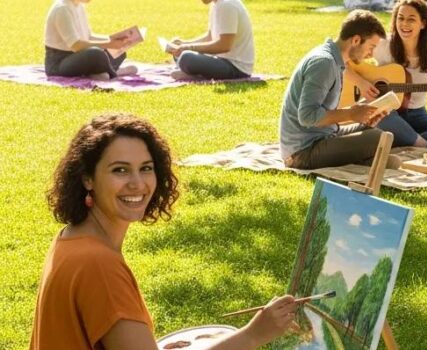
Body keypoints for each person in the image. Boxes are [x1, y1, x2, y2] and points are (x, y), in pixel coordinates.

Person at [31, 114, 303, 349]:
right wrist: (254, 335)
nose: (137, 184)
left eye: (146, 169)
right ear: (87, 178)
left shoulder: (71, 238)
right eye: (120, 170)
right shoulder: (99, 266)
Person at [347, 0, 427, 148]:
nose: (404, 24)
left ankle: (405, 138)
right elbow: (341, 57)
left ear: (423, 23)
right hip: (388, 115)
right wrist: (361, 83)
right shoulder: (382, 44)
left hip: (418, 117)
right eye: (400, 18)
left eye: (411, 19)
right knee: (380, 112)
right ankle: (420, 142)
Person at [279, 10, 398, 170]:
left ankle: (366, 160)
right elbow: (307, 116)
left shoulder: (336, 60)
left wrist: (364, 113)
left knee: (374, 131)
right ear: (356, 40)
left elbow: (322, 112)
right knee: (377, 138)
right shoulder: (324, 63)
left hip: (324, 135)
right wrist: (350, 113)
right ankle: (367, 160)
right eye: (371, 47)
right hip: (303, 151)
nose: (371, 54)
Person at [43, 0, 138, 80]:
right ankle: (114, 73)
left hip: (79, 55)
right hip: (59, 63)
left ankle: (99, 73)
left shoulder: (79, 6)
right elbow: (76, 45)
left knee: (118, 52)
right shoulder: (62, 9)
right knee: (96, 53)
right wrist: (109, 44)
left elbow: (88, 36)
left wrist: (112, 39)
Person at [167, 0, 255, 80]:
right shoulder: (216, 4)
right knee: (180, 53)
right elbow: (210, 37)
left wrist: (189, 47)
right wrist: (183, 44)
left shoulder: (227, 5)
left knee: (186, 58)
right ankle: (192, 72)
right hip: (220, 60)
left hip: (235, 68)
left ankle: (193, 75)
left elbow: (225, 46)